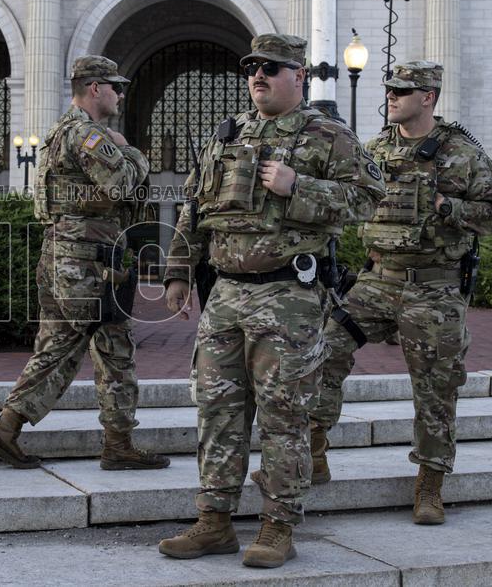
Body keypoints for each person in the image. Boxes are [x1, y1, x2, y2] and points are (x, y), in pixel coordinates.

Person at [157, 34, 385, 568]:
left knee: (284, 416)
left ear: (298, 75)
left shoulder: (329, 135)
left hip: (289, 297)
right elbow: (194, 205)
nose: (258, 75)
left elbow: (369, 200)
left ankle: (278, 526)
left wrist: (297, 186)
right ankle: (214, 522)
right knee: (217, 412)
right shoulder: (228, 132)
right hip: (226, 295)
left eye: (271, 67)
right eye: (252, 67)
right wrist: (178, 271)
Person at [309, 61, 492, 524]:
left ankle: (430, 482)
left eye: (402, 90)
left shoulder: (462, 153)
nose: (392, 96)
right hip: (377, 279)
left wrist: (449, 207)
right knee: (325, 348)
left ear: (428, 97)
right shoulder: (375, 149)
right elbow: (349, 200)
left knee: (436, 386)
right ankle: (314, 448)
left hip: (434, 288)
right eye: (390, 89)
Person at [0, 55, 169, 472]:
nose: (120, 95)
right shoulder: (87, 135)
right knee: (115, 348)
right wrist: (131, 152)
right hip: (88, 259)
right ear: (95, 88)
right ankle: (118, 444)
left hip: (61, 253)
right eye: (116, 87)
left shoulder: (58, 132)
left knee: (58, 344)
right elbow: (121, 185)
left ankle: (6, 428)